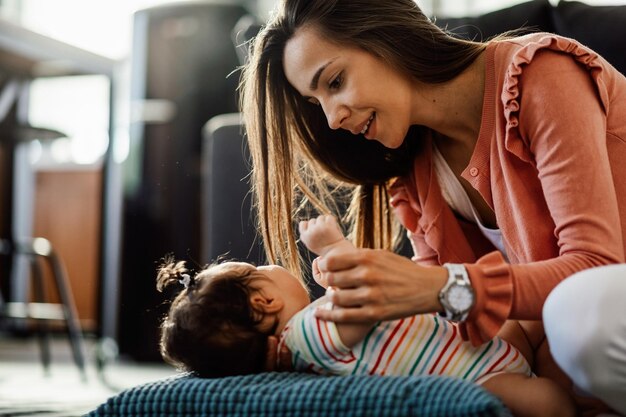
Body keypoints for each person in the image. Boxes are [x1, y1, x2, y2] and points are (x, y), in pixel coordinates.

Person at [239, 0, 626, 415]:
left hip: (605, 313)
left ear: (386, 36)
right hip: (591, 357)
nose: (332, 119)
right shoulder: (414, 177)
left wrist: (441, 288)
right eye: (316, 103)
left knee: (579, 312)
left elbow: (595, 267)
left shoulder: (541, 75)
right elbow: (478, 330)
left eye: (334, 82)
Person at [157, 214, 575, 417]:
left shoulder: (308, 343)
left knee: (528, 316)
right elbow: (362, 306)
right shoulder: (304, 337)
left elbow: (349, 325)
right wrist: (333, 247)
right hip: (474, 373)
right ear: (263, 302)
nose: (268, 266)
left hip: (472, 344)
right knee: (546, 401)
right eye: (256, 272)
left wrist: (332, 284)